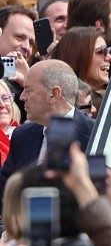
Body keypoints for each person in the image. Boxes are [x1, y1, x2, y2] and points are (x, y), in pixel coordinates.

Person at [0, 60, 94, 208]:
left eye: (28, 90)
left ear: (54, 94)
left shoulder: (96, 135)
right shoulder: (22, 136)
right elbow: (4, 192)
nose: (22, 97)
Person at [50, 26, 111, 113]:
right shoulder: (107, 103)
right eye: (101, 52)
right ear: (78, 57)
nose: (110, 57)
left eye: (109, 51)